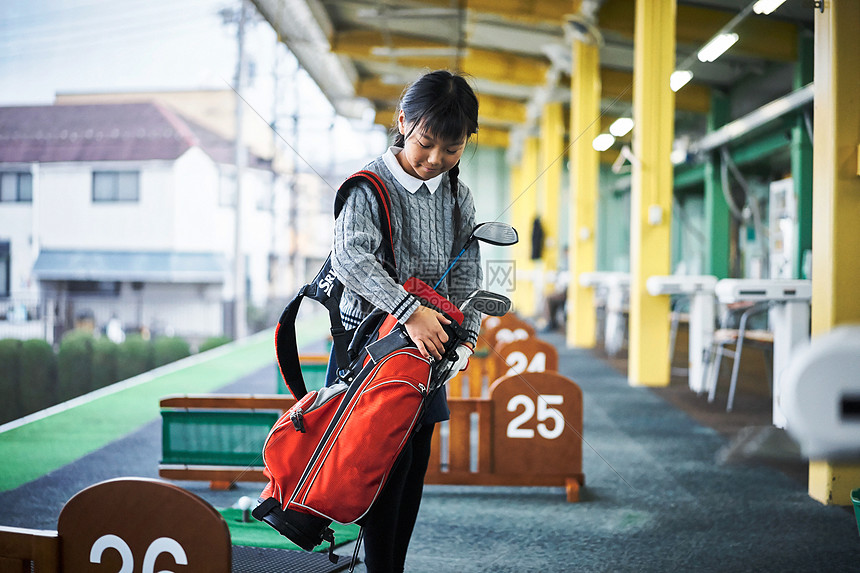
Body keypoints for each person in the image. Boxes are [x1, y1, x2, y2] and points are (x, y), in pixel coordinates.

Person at [329, 69, 482, 572]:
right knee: (381, 471)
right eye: (425, 143)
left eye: (452, 149)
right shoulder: (369, 187)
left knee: (414, 467)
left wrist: (466, 342)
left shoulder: (459, 197)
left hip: (429, 354)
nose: (436, 159)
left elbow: (470, 278)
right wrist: (409, 311)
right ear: (402, 122)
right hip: (369, 355)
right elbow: (350, 258)